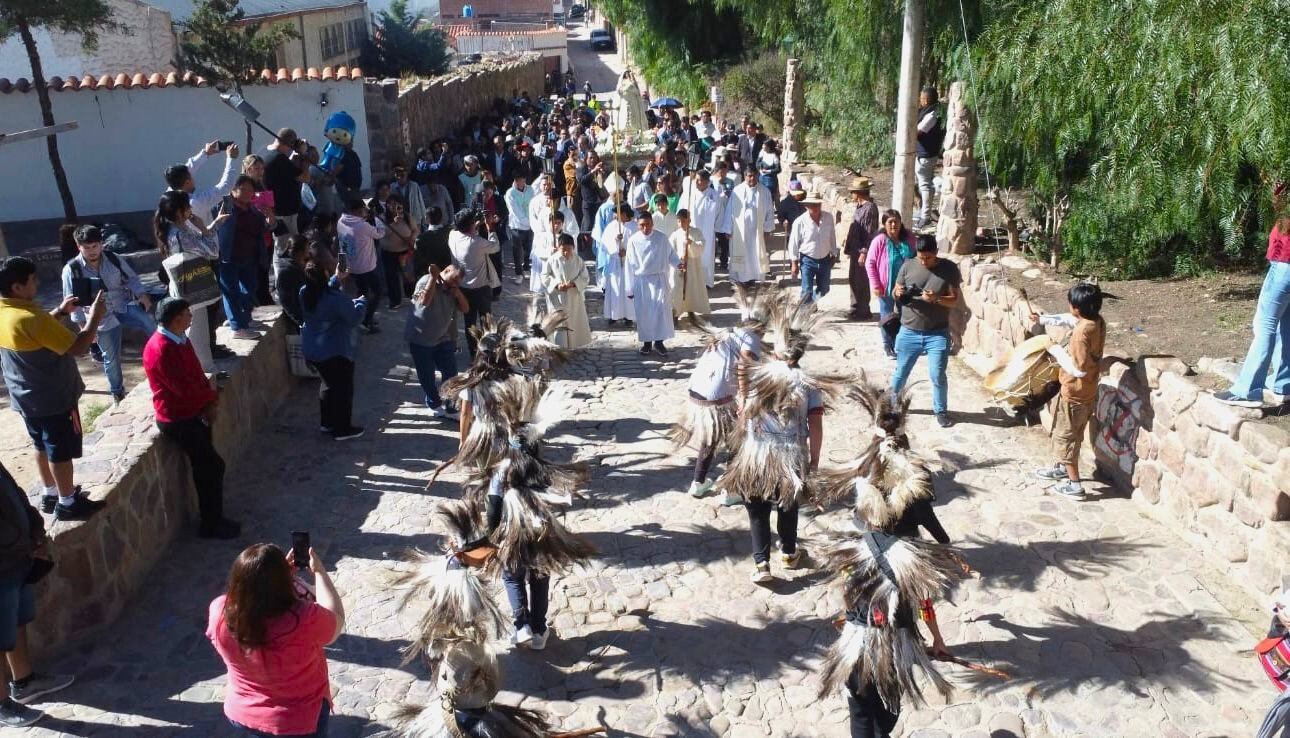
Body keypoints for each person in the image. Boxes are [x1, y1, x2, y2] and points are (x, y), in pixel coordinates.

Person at [815, 386, 958, 738]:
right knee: (887, 715)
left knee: (861, 714)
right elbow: (925, 600)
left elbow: (848, 588)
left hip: (857, 642)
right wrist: (936, 638)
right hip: (893, 646)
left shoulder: (853, 549)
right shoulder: (912, 561)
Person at [717, 304, 833, 583]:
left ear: (778, 349)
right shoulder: (809, 383)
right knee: (787, 504)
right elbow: (814, 425)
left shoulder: (758, 375)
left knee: (757, 509)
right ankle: (789, 553)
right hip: (790, 455)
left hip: (756, 454)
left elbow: (744, 414)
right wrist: (814, 460)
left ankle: (761, 565)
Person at [0, 257, 106, 520]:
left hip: (25, 397)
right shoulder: (31, 318)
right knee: (59, 449)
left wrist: (59, 312)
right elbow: (79, 347)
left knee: (40, 444)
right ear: (17, 287)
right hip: (53, 398)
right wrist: (94, 319)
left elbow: (30, 333)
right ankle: (68, 502)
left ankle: (49, 494)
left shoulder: (6, 312)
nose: (37, 283)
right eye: (33, 280)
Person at [207, 543, 344, 737]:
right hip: (298, 720)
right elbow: (335, 620)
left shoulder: (219, 612)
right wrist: (319, 573)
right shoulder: (304, 618)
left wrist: (276, 579)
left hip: (243, 713)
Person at [143, 297, 239, 539]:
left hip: (192, 411)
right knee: (211, 466)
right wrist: (210, 398)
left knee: (206, 467)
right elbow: (183, 389)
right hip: (178, 418)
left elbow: (195, 373)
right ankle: (211, 524)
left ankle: (214, 519)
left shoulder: (179, 339)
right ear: (176, 319)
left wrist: (207, 402)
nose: (191, 317)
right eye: (187, 314)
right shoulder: (162, 348)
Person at [672, 286, 771, 501]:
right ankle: (730, 489)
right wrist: (744, 399)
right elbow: (744, 366)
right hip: (716, 396)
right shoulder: (751, 337)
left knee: (711, 437)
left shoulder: (730, 332)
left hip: (697, 391)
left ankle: (698, 483)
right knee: (738, 436)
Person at [0, 461, 75, 728]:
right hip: (6, 559)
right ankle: (2, 706)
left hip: (16, 559)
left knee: (17, 621)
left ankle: (24, 681)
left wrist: (34, 528)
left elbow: (12, 492)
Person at [61, 224, 156, 404]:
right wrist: (85, 328)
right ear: (78, 246)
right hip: (99, 317)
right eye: (86, 247)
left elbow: (132, 279)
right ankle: (117, 392)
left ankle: (165, 358)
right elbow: (72, 302)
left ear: (101, 244)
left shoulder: (113, 258)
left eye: (95, 246)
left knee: (149, 321)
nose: (91, 251)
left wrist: (141, 294)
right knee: (111, 358)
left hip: (123, 305)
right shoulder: (71, 270)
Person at [1215, 185, 1289, 408]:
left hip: (1285, 264)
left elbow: (1279, 206)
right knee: (1284, 325)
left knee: (1264, 324)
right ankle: (1283, 385)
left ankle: (1248, 390)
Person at [1031, 283, 1106, 499]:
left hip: (1075, 392)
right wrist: (1043, 320)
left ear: (1077, 308)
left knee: (1066, 437)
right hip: (1086, 392)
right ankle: (1062, 468)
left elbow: (1079, 370)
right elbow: (1068, 319)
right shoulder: (1096, 321)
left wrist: (1053, 349)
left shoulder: (1081, 333)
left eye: (1071, 304)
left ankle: (1075, 486)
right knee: (1068, 432)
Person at [890, 235, 962, 428]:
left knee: (937, 374)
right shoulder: (908, 265)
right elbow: (895, 291)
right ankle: (889, 405)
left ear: (936, 253)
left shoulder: (949, 269)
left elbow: (954, 300)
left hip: (937, 333)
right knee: (901, 372)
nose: (923, 262)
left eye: (928, 258)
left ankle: (941, 411)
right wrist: (898, 293)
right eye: (921, 258)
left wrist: (936, 299)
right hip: (909, 330)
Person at [155, 190, 228, 372]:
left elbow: (200, 245)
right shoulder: (182, 233)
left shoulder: (177, 229)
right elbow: (212, 251)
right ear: (180, 211)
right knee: (197, 332)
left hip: (182, 284)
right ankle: (206, 371)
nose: (191, 209)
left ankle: (201, 369)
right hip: (191, 287)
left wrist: (212, 226)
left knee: (193, 330)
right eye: (188, 206)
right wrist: (204, 228)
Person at [299, 248, 367, 440]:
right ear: (324, 274)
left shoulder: (304, 293)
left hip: (313, 349)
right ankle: (342, 429)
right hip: (335, 351)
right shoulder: (335, 300)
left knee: (328, 385)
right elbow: (354, 318)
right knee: (343, 390)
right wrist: (361, 303)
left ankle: (327, 423)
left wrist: (336, 278)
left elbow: (320, 289)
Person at [406, 264, 468, 418]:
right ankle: (433, 402)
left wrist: (458, 294)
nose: (454, 284)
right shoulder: (425, 281)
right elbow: (424, 302)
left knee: (451, 374)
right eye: (453, 279)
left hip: (445, 338)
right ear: (446, 271)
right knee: (427, 375)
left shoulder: (453, 289)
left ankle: (450, 407)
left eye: (458, 283)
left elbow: (466, 309)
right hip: (421, 339)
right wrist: (434, 278)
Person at [216, 176, 275, 339]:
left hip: (249, 256)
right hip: (228, 257)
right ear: (234, 190)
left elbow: (266, 226)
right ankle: (237, 327)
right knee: (231, 292)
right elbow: (217, 227)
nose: (249, 193)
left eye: (251, 190)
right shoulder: (225, 205)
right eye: (245, 189)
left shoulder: (253, 208)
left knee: (250, 289)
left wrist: (270, 218)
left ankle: (245, 318)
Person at [626, 210, 682, 356]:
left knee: (660, 311)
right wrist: (629, 288)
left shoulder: (662, 238)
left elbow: (671, 255)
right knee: (644, 313)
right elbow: (629, 265)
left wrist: (678, 264)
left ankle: (659, 342)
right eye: (642, 225)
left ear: (653, 223)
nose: (645, 228)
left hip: (658, 279)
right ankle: (646, 343)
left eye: (648, 225)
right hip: (641, 280)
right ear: (638, 225)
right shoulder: (633, 240)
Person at [449, 209, 502, 359]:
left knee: (469, 324)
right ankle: (488, 353)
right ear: (471, 225)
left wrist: (476, 224)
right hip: (482, 288)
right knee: (487, 323)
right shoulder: (477, 243)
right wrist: (490, 227)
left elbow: (462, 231)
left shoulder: (452, 236)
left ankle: (474, 355)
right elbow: (495, 246)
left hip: (463, 288)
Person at [866, 209, 916, 359]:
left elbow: (916, 258)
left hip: (905, 287)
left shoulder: (910, 239)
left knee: (904, 315)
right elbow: (870, 263)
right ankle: (888, 345)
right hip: (885, 286)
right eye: (890, 222)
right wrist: (875, 285)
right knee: (887, 317)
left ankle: (900, 344)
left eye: (896, 221)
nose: (894, 225)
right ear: (884, 224)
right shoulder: (879, 241)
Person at [336, 197, 386, 333]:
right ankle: (366, 321)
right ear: (358, 210)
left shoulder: (341, 222)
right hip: (366, 267)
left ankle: (364, 316)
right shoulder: (363, 226)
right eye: (363, 209)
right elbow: (380, 233)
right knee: (377, 292)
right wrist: (375, 219)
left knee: (362, 294)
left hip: (351, 267)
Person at [164, 139, 240, 227]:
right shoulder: (195, 203)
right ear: (187, 182)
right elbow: (226, 186)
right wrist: (231, 159)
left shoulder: (169, 194)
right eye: (191, 176)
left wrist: (205, 153)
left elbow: (187, 169)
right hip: (201, 239)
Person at [541, 233, 592, 349]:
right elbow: (544, 276)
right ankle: (560, 346)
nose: (566, 253)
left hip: (573, 297)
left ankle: (574, 344)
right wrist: (556, 285)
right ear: (559, 247)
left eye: (569, 250)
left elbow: (585, 277)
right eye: (563, 250)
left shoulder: (578, 260)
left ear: (573, 248)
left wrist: (574, 283)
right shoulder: (552, 260)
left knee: (573, 320)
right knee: (559, 321)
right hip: (557, 298)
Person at [787, 195, 839, 304]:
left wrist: (834, 253)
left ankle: (810, 304)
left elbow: (832, 236)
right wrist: (794, 263)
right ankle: (804, 313)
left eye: (817, 204)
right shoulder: (800, 222)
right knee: (806, 290)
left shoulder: (828, 217)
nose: (815, 207)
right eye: (812, 205)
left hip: (825, 259)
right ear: (807, 206)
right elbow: (793, 243)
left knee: (824, 289)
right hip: (807, 260)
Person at [728, 168, 776, 285]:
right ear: (745, 176)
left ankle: (754, 278)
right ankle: (739, 279)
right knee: (740, 253)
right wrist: (727, 228)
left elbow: (770, 211)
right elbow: (729, 211)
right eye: (749, 176)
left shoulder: (765, 192)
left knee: (755, 253)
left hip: (757, 231)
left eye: (754, 176)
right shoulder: (737, 191)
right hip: (740, 230)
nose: (752, 178)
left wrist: (768, 229)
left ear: (758, 175)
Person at [596, 204, 638, 327]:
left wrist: (627, 252)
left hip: (629, 262)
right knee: (615, 288)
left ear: (626, 214)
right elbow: (605, 244)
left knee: (628, 288)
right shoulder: (612, 226)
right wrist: (615, 243)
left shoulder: (634, 227)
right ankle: (614, 315)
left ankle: (628, 316)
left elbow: (637, 243)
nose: (616, 216)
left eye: (619, 213)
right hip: (615, 262)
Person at [844, 176, 878, 320]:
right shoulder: (860, 207)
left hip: (861, 251)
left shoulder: (869, 209)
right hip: (855, 249)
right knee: (854, 279)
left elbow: (869, 232)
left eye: (853, 192)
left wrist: (864, 251)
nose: (851, 194)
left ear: (858, 193)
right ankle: (855, 308)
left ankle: (862, 311)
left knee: (861, 281)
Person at [678, 169, 720, 287]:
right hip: (691, 230)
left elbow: (719, 214)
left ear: (707, 181)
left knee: (706, 256)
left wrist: (716, 228)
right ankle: (691, 282)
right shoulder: (688, 194)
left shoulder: (714, 195)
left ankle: (706, 282)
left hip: (707, 232)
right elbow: (680, 210)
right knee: (691, 256)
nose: (697, 183)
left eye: (700, 180)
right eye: (696, 180)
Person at [263, 128, 308, 234]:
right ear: (290, 143)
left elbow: (286, 171)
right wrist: (303, 155)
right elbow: (305, 178)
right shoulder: (280, 159)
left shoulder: (267, 152)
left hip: (275, 209)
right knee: (289, 245)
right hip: (285, 212)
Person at [670, 209, 710, 318]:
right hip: (679, 265)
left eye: (684, 221)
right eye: (679, 221)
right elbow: (670, 249)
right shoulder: (675, 234)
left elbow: (701, 246)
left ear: (689, 220)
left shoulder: (696, 232)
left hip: (692, 266)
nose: (681, 223)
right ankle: (675, 312)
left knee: (691, 287)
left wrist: (691, 244)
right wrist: (679, 258)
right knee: (677, 289)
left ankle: (691, 309)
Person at [914, 87, 944, 229]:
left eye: (921, 98)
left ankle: (925, 216)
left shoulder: (932, 114)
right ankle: (924, 212)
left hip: (926, 155)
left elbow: (918, 131)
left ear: (926, 99)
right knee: (924, 184)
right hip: (924, 154)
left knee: (925, 185)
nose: (920, 100)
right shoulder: (929, 112)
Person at [380, 195, 416, 309]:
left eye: (396, 204)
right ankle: (395, 300)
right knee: (391, 277)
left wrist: (412, 238)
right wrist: (392, 223)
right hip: (388, 252)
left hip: (405, 252)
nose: (393, 206)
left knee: (408, 276)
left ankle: (412, 296)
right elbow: (381, 234)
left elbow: (415, 230)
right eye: (390, 204)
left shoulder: (407, 216)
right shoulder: (382, 217)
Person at [273, 235, 310, 331]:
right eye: (307, 247)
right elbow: (287, 303)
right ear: (300, 252)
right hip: (298, 322)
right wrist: (301, 322)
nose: (309, 250)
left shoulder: (302, 265)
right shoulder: (286, 272)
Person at [504, 173, 536, 284]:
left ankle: (526, 268)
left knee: (528, 248)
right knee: (517, 251)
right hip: (516, 226)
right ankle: (518, 273)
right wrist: (528, 222)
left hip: (530, 226)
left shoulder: (530, 190)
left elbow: (534, 205)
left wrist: (532, 222)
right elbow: (515, 211)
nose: (521, 182)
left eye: (522, 179)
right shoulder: (510, 193)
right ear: (515, 180)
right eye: (518, 180)